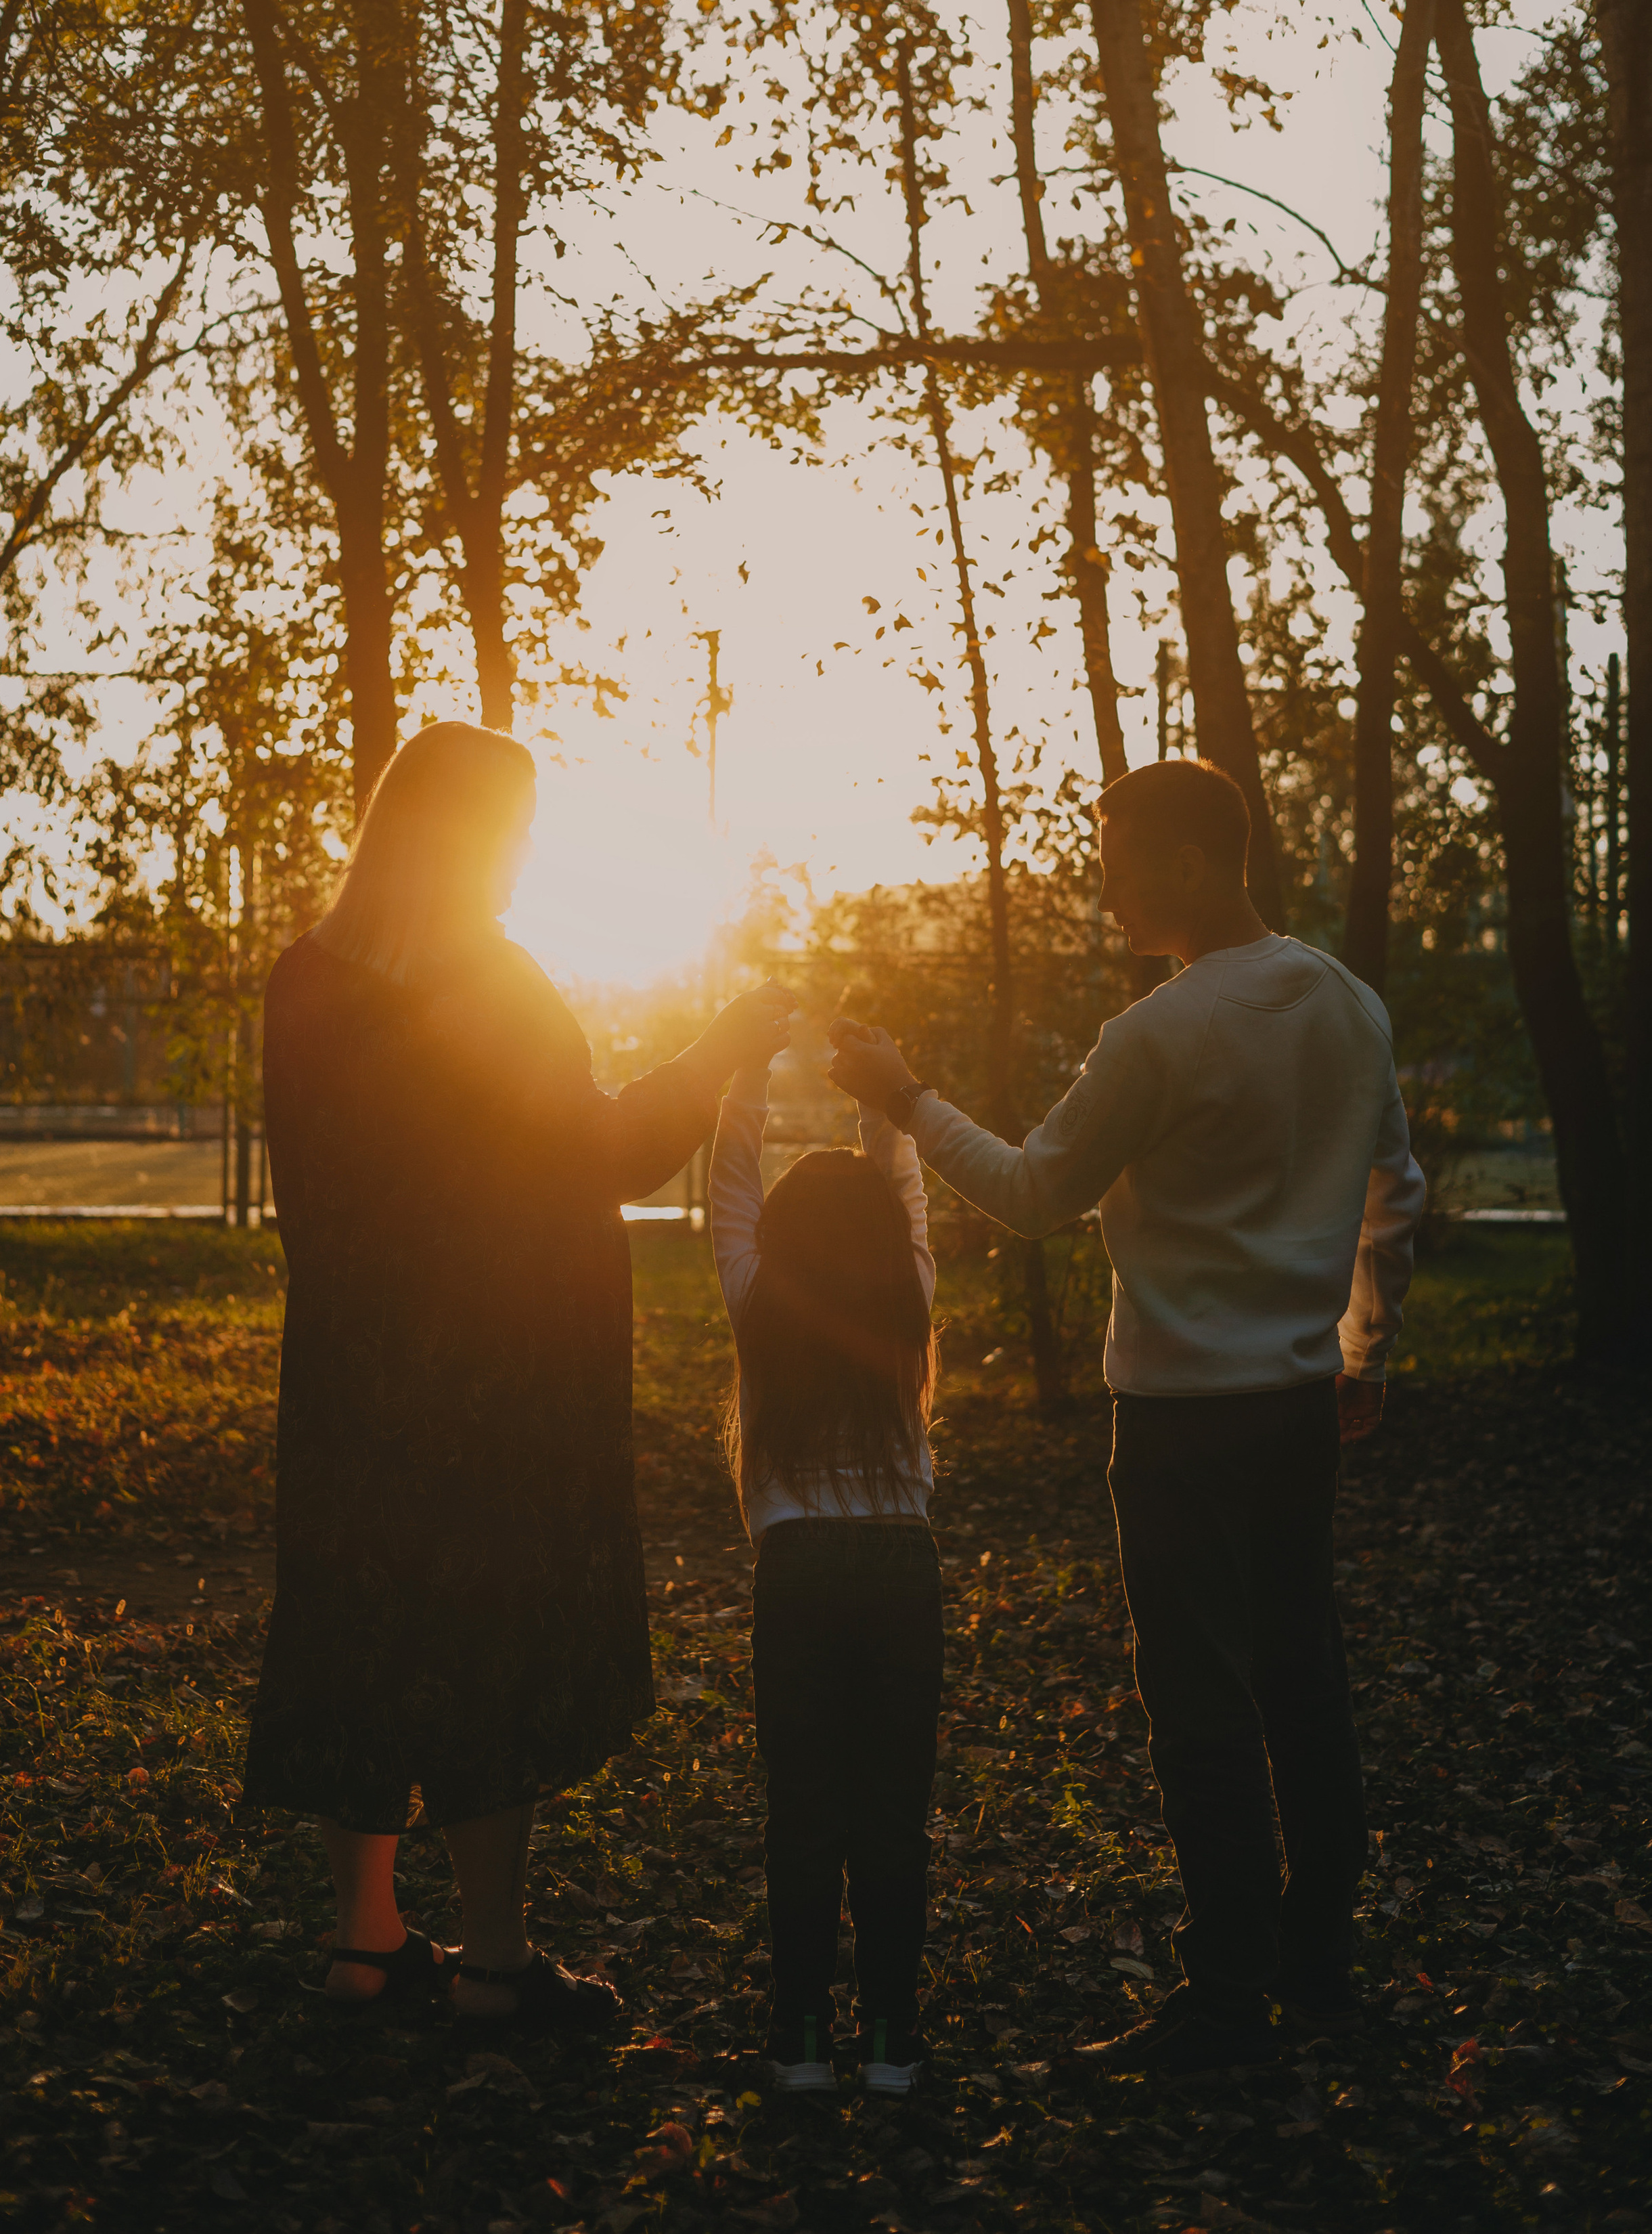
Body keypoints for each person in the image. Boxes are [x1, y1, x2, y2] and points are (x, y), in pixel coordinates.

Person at [828, 760, 1424, 2081]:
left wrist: (901, 1099)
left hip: (1175, 1424)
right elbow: (1394, 1188)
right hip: (1289, 1410)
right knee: (1300, 1676)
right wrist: (1360, 1353)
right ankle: (1317, 1970)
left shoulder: (1159, 1033)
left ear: (1195, 865)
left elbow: (1036, 1196)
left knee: (1199, 1701)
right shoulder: (1345, 1003)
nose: (1099, 876)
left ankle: (1224, 2003)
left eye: (1116, 852)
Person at [239, 720, 793, 2027]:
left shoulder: (302, 983)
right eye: (520, 828)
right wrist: (714, 1057)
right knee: (490, 1639)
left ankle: (364, 1947)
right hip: (492, 1375)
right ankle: (494, 1963)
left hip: (351, 1374)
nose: (529, 851)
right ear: (477, 838)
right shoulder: (488, 987)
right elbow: (594, 1153)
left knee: (359, 1629)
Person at [709, 1021, 943, 2095]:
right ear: (888, 1243)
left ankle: (802, 2039)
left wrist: (747, 1076)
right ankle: (891, 2042)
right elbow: (910, 1189)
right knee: (893, 1807)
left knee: (802, 1808)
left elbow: (732, 1190)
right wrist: (882, 1100)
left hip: (797, 1570)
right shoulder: (908, 1299)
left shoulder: (761, 1300)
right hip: (901, 1568)